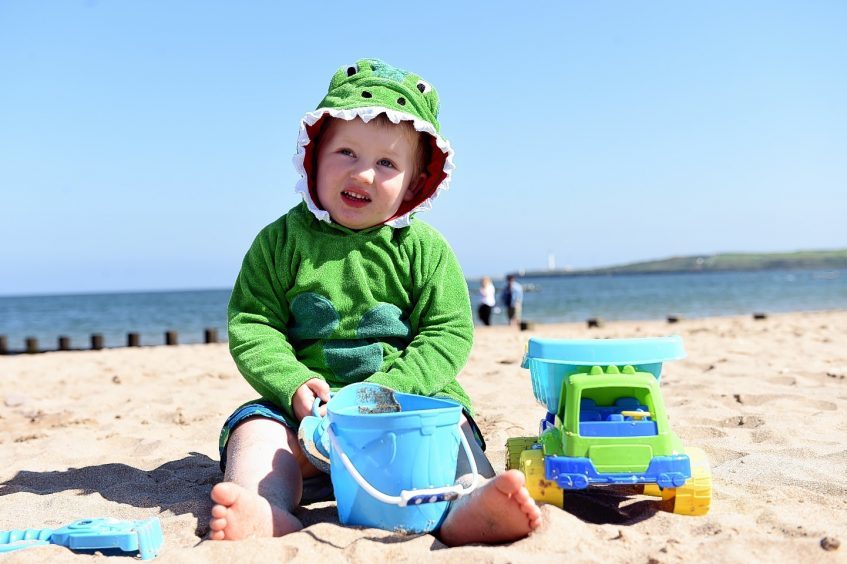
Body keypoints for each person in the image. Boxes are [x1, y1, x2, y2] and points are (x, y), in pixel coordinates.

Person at [208, 59, 541, 546]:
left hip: (404, 410)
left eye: (387, 163)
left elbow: (447, 332)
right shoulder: (279, 242)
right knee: (255, 432)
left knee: (453, 426)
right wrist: (292, 382)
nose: (363, 173)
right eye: (346, 152)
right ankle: (268, 506)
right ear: (314, 156)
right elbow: (253, 323)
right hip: (307, 419)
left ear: (413, 183)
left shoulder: (423, 249)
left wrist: (391, 389)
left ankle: (467, 502)